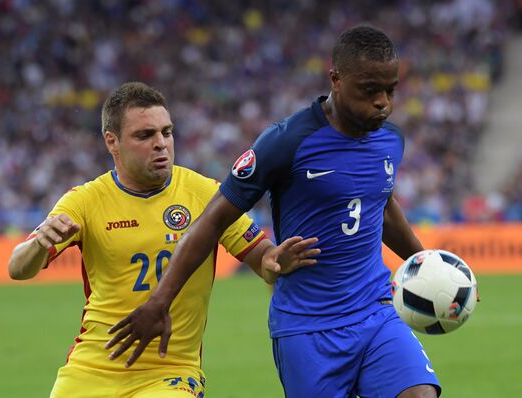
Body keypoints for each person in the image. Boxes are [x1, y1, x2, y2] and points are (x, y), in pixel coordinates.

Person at [106, 26, 442, 398]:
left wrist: (430, 266)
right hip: (307, 328)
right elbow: (213, 220)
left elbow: (381, 206)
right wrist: (159, 301)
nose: (383, 102)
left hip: (376, 311)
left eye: (390, 90)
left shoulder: (390, 139)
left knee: (419, 394)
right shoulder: (286, 141)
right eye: (370, 90)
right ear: (336, 79)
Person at [7, 81, 320, 398]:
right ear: (112, 142)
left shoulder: (205, 194)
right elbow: (18, 268)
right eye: (145, 135)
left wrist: (277, 261)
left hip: (171, 373)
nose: (161, 144)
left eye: (166, 132)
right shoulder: (85, 201)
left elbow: (264, 259)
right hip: (91, 370)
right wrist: (36, 244)